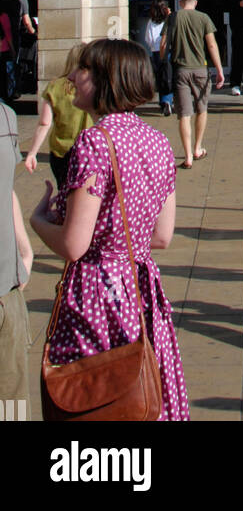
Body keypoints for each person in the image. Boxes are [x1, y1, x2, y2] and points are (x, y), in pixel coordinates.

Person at [28, 38, 188, 420]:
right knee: (141, 393)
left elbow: (74, 245)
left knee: (92, 396)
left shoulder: (95, 143)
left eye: (81, 70)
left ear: (105, 80)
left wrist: (38, 222)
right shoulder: (159, 141)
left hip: (97, 293)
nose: (72, 77)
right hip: (140, 288)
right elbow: (162, 236)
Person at [159, 0, 225, 168]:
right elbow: (211, 44)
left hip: (180, 70)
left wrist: (162, 61)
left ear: (181, 2)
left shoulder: (173, 18)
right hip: (200, 70)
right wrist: (219, 70)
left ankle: (187, 156)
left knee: (184, 114)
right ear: (195, 3)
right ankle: (198, 148)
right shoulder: (203, 18)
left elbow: (163, 45)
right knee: (202, 109)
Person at [0, 99, 33, 411]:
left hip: (8, 290)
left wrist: (25, 249)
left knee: (12, 407)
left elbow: (6, 186)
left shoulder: (5, 117)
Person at [24, 45, 94, 188]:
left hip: (61, 152)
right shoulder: (94, 86)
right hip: (90, 151)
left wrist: (32, 153)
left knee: (64, 194)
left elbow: (44, 123)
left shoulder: (55, 86)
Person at [0, 0, 35, 104]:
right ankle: (11, 91)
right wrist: (33, 32)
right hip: (9, 42)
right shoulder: (22, 0)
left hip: (4, 42)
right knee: (12, 66)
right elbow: (26, 21)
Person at [142, 0, 174, 115]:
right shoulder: (170, 19)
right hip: (168, 51)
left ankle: (163, 101)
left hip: (156, 52)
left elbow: (148, 39)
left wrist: (153, 46)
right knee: (168, 76)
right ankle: (167, 101)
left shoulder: (151, 22)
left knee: (160, 77)